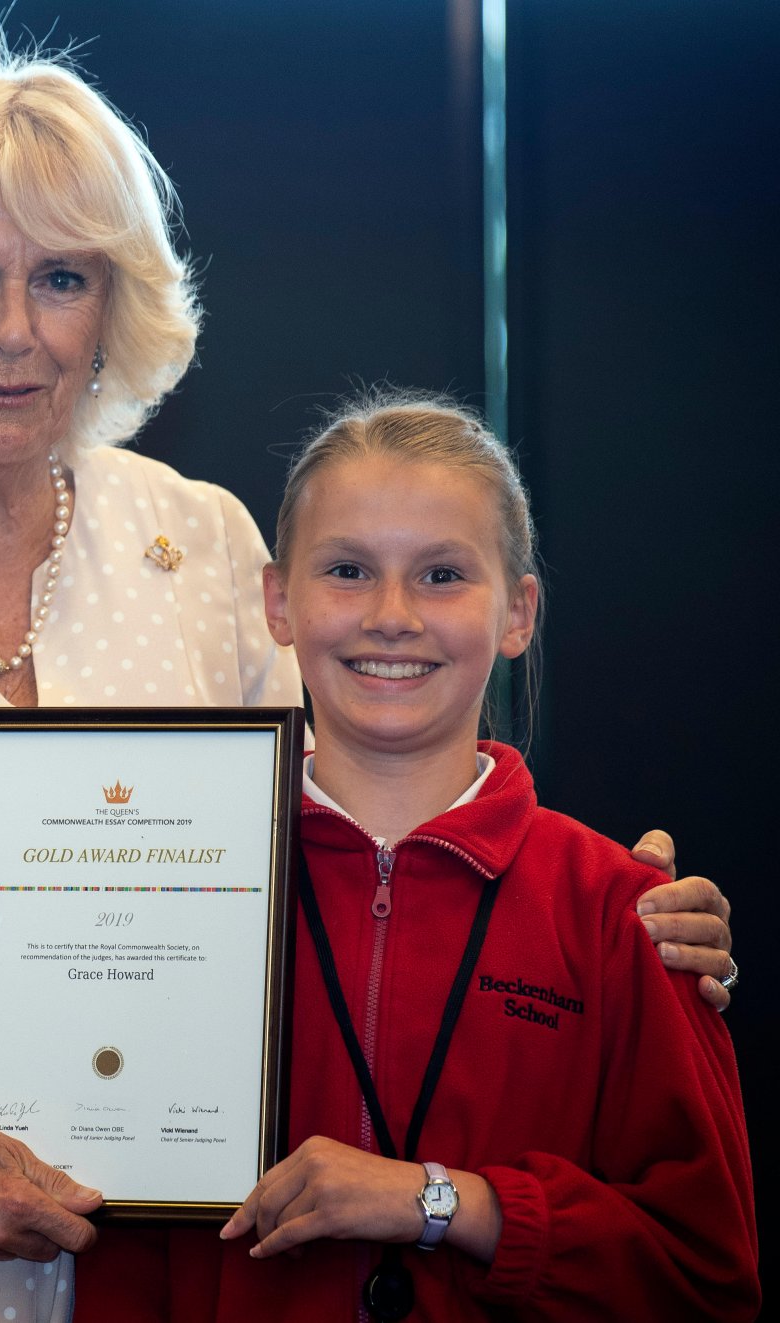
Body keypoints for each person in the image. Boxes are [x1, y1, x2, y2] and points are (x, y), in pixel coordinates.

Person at [0, 44, 733, 1323]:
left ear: (114, 308)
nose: (13, 329)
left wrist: (606, 912)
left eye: (62, 279)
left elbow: (350, 842)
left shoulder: (201, 542)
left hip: (131, 1286)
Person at [209, 396, 756, 1319]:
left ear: (518, 612)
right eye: (347, 569)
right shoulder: (189, 880)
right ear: (278, 603)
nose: (391, 616)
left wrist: (449, 1202)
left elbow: (707, 1276)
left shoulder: (625, 912)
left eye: (442, 575)